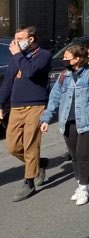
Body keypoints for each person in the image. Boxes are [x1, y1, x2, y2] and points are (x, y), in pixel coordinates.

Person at [39, 43, 89, 206]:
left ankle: (84, 188)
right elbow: (54, 98)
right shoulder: (64, 75)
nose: (63, 60)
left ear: (77, 59)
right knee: (74, 155)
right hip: (67, 122)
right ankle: (80, 183)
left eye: (67, 58)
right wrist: (46, 118)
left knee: (83, 154)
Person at [0, 27, 51, 201]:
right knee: (13, 146)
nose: (15, 42)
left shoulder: (43, 55)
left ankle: (29, 182)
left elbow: (31, 72)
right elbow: (8, 81)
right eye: (14, 39)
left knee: (31, 144)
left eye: (19, 38)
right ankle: (39, 163)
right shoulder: (16, 57)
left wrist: (17, 55)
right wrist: (1, 103)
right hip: (16, 106)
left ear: (31, 39)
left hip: (35, 105)